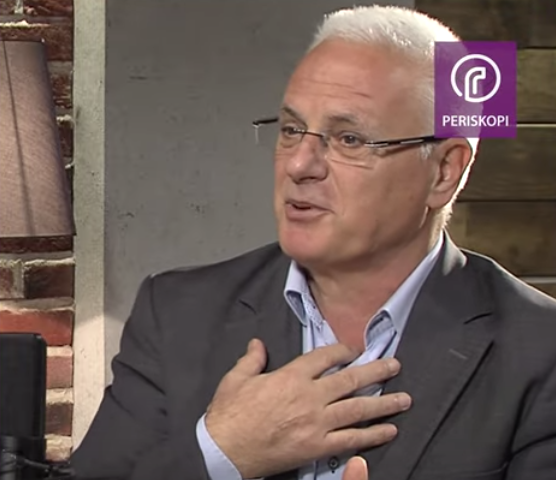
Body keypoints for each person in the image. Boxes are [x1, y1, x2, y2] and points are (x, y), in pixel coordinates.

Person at [71, 5, 556, 480]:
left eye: (349, 139)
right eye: (291, 130)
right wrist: (220, 454)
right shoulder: (177, 313)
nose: (299, 165)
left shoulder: (539, 351)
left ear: (444, 172)